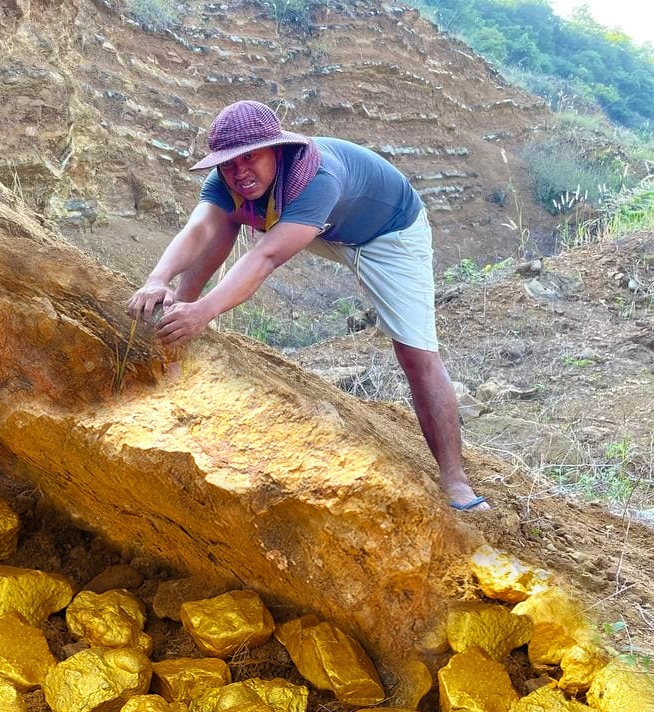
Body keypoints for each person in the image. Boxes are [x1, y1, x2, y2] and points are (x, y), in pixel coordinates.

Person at [126, 99, 489, 511]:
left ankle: (455, 481)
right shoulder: (227, 180)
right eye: (229, 163)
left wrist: (207, 312)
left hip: (387, 233)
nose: (240, 171)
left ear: (277, 150)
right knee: (224, 220)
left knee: (415, 352)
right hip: (318, 224)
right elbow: (199, 229)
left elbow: (265, 257)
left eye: (251, 158)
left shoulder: (317, 178)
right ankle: (177, 323)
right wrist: (158, 280)